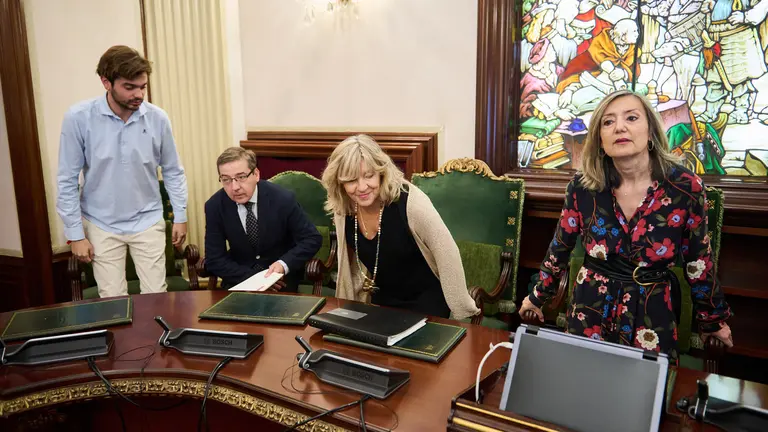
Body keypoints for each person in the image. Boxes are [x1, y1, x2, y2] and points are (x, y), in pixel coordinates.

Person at [519, 89, 733, 361]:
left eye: (631, 118)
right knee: (583, 388)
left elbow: (698, 262)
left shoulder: (686, 188)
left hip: (653, 311)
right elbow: (560, 247)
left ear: (651, 130)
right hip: (591, 306)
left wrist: (712, 321)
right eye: (608, 122)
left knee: (645, 396)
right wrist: (537, 297)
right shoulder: (583, 187)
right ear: (599, 138)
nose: (619, 127)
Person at [57, 45, 188, 298]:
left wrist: (180, 216)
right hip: (101, 223)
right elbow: (67, 180)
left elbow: (173, 171)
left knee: (156, 298)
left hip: (148, 219)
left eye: (143, 87)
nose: (138, 94)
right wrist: (75, 235)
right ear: (106, 82)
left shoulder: (158, 118)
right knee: (113, 302)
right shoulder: (78, 118)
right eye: (130, 87)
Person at [321, 134, 480, 320]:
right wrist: (346, 311)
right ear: (339, 182)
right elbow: (348, 267)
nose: (362, 187)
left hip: (425, 302)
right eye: (351, 180)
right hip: (382, 300)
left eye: (368, 176)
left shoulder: (410, 201)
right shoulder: (344, 208)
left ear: (381, 171)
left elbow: (446, 251)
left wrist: (463, 309)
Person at [204, 147, 322, 291]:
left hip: (281, 285)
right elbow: (214, 259)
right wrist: (254, 279)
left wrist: (283, 265)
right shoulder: (215, 206)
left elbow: (311, 239)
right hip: (238, 283)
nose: (234, 187)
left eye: (241, 177)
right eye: (226, 180)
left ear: (256, 174)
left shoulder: (282, 199)